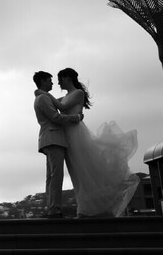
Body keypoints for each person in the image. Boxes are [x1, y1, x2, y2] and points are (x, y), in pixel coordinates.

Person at [41, 68, 140, 217]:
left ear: (68, 78)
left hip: (76, 135)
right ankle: (85, 206)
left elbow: (60, 107)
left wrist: (43, 93)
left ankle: (91, 207)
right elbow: (55, 104)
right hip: (66, 137)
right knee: (76, 172)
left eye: (60, 79)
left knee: (84, 169)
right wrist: (44, 95)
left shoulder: (77, 94)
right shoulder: (67, 96)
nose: (58, 82)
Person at [33, 71, 83, 218]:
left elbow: (61, 104)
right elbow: (55, 117)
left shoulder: (42, 97)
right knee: (56, 176)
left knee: (51, 176)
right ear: (42, 81)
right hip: (53, 138)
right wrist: (76, 118)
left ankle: (52, 207)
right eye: (50, 80)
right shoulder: (43, 98)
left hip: (49, 139)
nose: (53, 83)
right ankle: (54, 209)